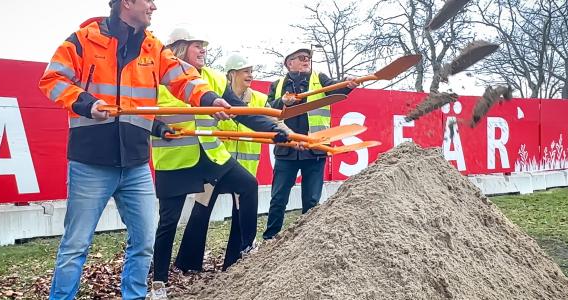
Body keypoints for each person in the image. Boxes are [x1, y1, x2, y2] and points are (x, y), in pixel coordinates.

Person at [38, 1, 235, 299]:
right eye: (148, 0)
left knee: (144, 243)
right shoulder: (82, 40)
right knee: (75, 245)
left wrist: (208, 98)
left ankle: (135, 296)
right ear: (127, 2)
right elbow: (52, 79)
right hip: (90, 162)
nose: (154, 6)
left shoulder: (153, 48)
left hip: (136, 165)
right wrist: (86, 103)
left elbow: (183, 78)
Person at [149, 31, 289, 299]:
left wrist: (273, 129)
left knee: (248, 185)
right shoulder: (157, 80)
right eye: (196, 46)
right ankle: (159, 283)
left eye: (203, 46)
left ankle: (246, 249)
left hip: (212, 157)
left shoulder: (212, 77)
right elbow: (143, 116)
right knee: (168, 222)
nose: (202, 50)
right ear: (178, 49)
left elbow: (240, 111)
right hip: (175, 162)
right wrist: (159, 127)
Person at [262, 46, 358, 240]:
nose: (306, 60)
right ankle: (270, 239)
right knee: (278, 199)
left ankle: (306, 242)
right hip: (286, 152)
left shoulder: (320, 79)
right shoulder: (277, 85)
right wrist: (282, 102)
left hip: (314, 150)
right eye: (301, 58)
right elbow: (267, 111)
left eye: (308, 58)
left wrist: (349, 84)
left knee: (312, 201)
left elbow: (337, 88)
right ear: (289, 63)